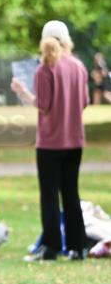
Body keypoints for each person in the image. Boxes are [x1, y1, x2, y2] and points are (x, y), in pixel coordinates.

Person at [11, 20, 89, 261]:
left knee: (49, 196)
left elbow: (43, 105)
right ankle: (79, 247)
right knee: (71, 193)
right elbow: (84, 102)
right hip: (74, 141)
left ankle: (51, 247)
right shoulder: (79, 67)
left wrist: (23, 92)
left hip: (50, 143)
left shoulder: (45, 69)